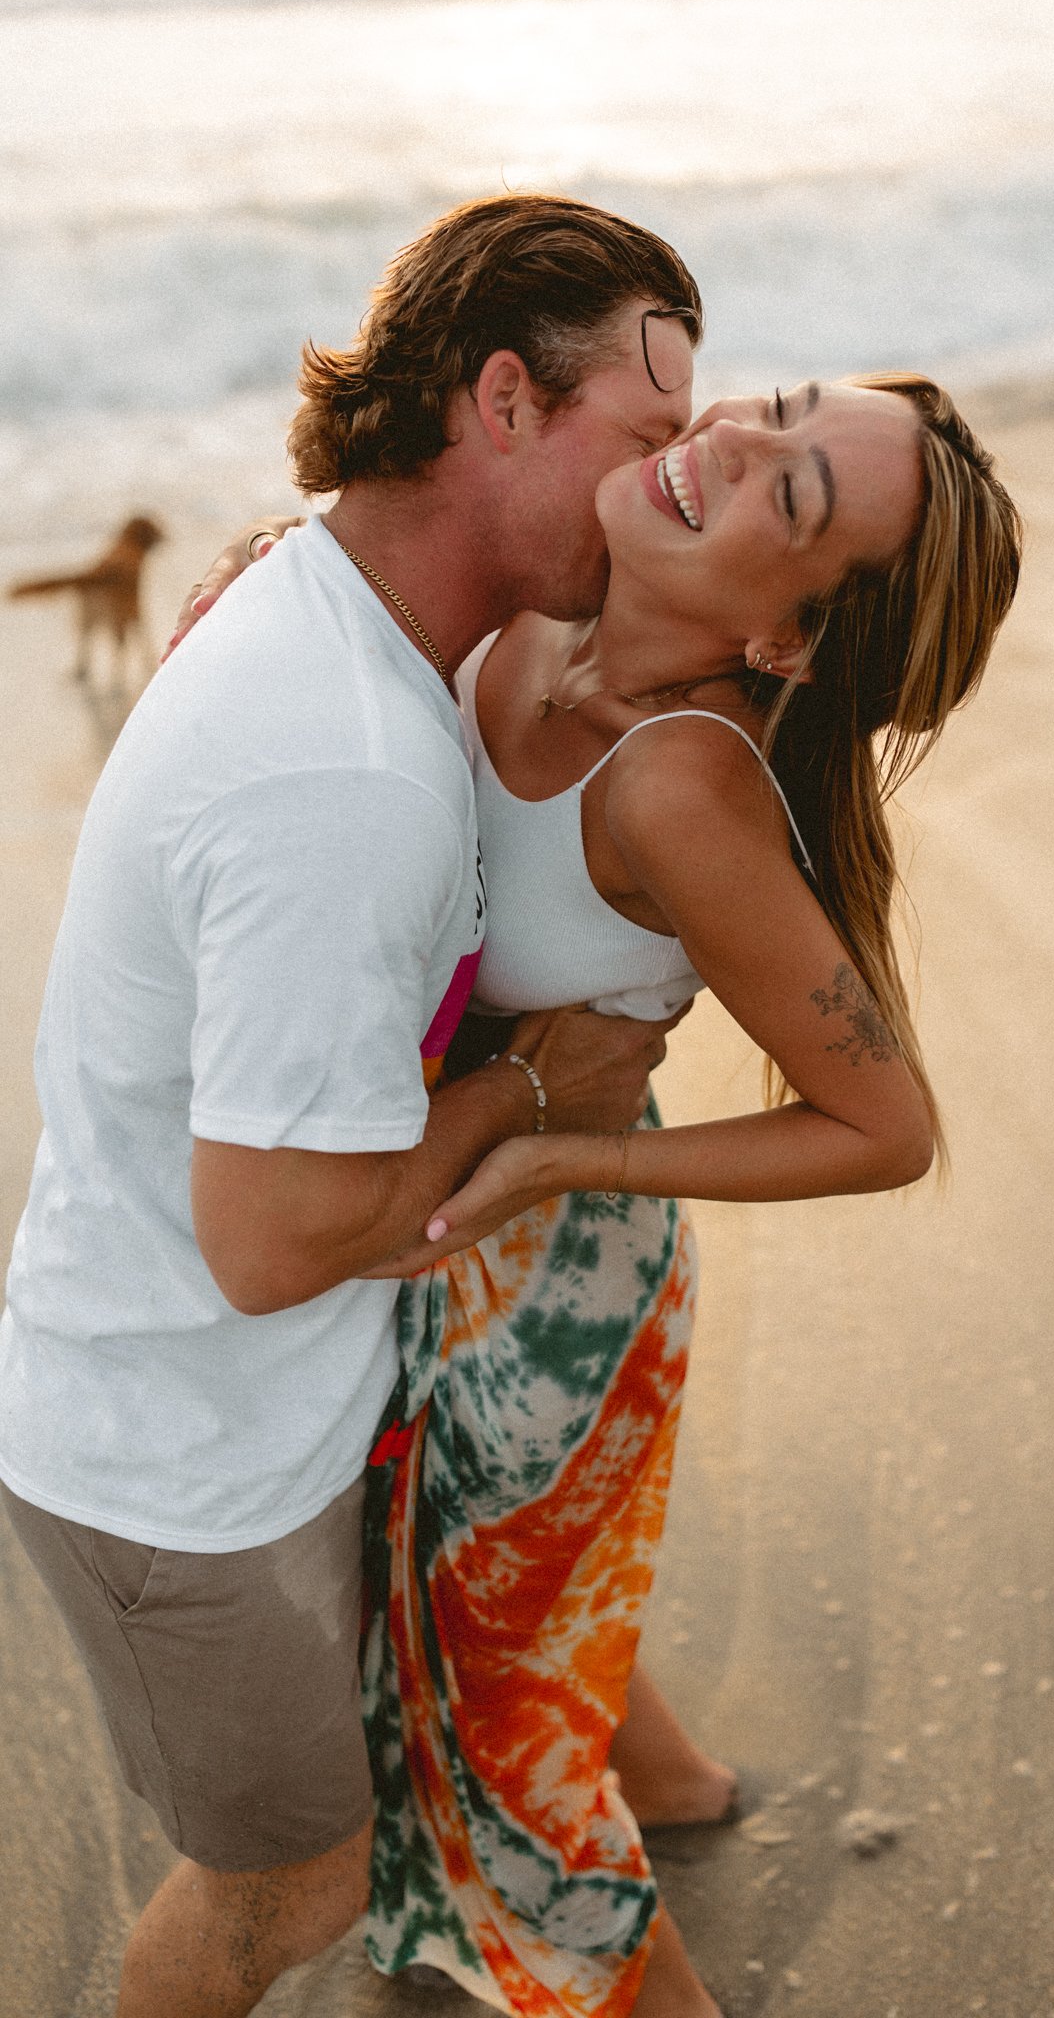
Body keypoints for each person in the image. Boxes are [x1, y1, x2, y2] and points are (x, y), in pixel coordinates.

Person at [180, 332, 1021, 2010]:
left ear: (785, 629)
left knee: (509, 1764)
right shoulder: (523, 603)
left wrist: (563, 1140)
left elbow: (884, 1124)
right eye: (774, 407)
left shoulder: (683, 786)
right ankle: (687, 1779)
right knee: (473, 1633)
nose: (723, 435)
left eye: (783, 484)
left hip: (551, 1316)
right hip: (413, 1229)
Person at [0, 193, 722, 2018]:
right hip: (180, 1455)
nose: (663, 493)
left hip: (263, 1410)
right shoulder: (346, 769)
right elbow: (268, 1246)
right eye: (641, 445)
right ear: (499, 401)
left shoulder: (331, 605)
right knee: (290, 1886)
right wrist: (530, 1085)